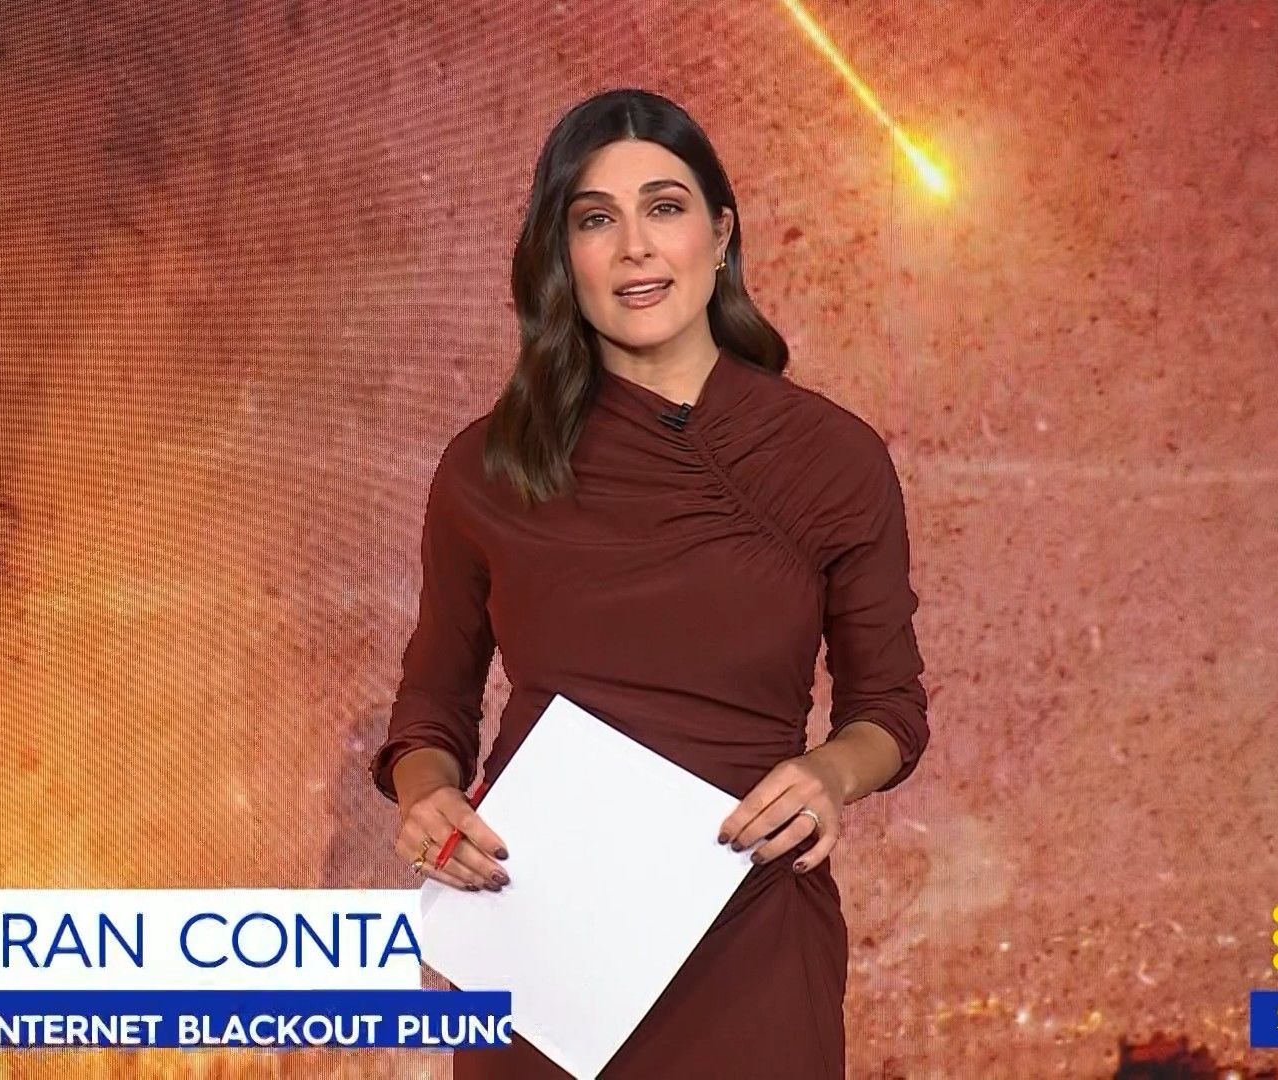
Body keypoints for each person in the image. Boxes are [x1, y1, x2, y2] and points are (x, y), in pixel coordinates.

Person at [370, 87, 930, 1078]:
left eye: (664, 209)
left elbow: (888, 707)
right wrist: (429, 799)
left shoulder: (835, 458)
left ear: (720, 236)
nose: (635, 247)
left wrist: (831, 775)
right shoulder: (486, 468)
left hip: (755, 937)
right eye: (595, 220)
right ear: (562, 256)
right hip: (541, 946)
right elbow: (432, 706)